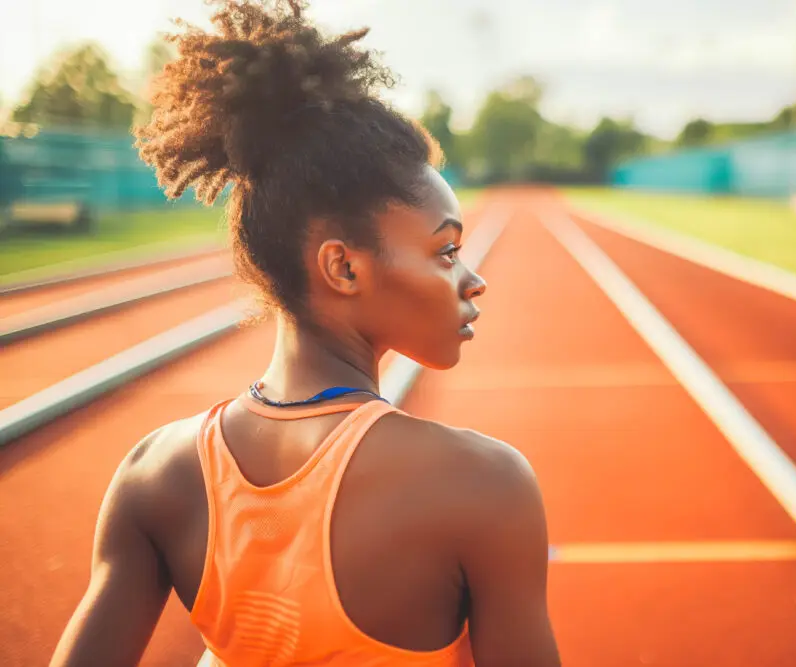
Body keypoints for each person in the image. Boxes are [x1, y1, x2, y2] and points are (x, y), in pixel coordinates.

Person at [50, 1, 560, 665]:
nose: (473, 279)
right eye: (445, 251)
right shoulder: (484, 484)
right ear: (343, 267)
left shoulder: (155, 472)